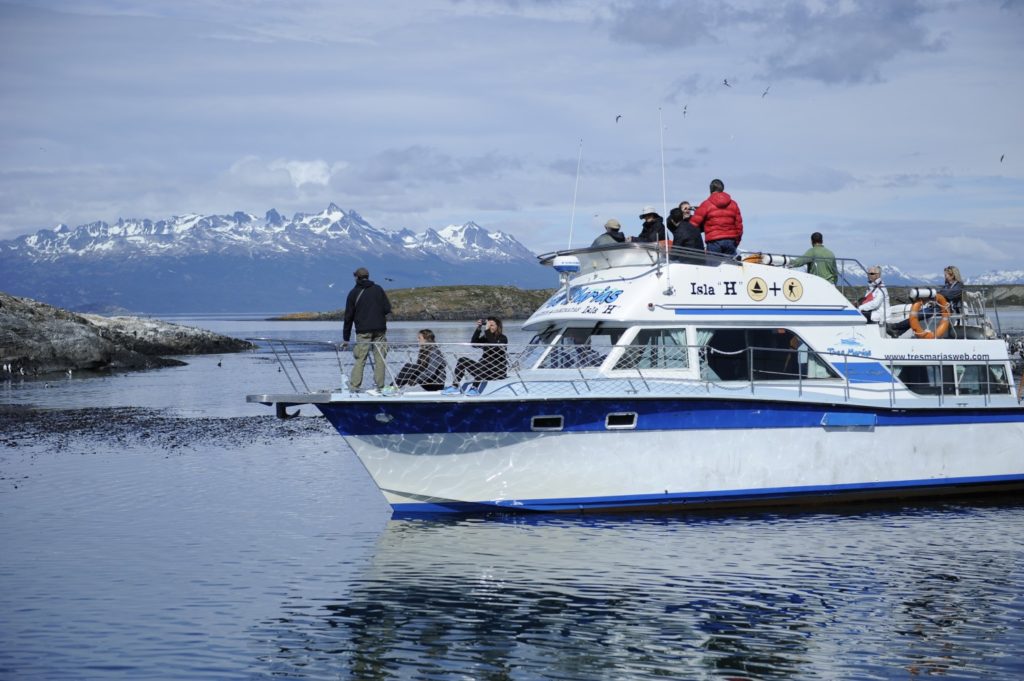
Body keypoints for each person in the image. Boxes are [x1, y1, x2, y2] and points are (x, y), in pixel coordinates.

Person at [342, 266, 391, 392]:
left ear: (356, 278)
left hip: (363, 331)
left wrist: (346, 338)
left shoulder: (353, 293)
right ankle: (380, 386)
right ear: (368, 277)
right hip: (380, 329)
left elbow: (348, 317)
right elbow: (387, 309)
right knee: (380, 358)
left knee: (360, 358)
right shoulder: (378, 289)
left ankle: (354, 385)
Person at [444, 317, 509, 395]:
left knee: (483, 364)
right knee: (462, 360)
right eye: (488, 325)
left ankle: (474, 388)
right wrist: (479, 328)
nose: (489, 327)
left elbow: (495, 347)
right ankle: (455, 386)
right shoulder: (486, 337)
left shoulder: (503, 338)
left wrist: (487, 331)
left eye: (492, 325)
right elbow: (474, 343)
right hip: (483, 370)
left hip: (498, 371)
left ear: (498, 326)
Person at [689, 178, 743, 255]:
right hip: (730, 241)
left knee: (713, 266)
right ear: (722, 188)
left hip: (713, 241)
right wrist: (736, 242)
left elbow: (693, 224)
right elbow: (739, 226)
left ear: (710, 189)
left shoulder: (706, 204)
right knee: (730, 266)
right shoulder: (733, 204)